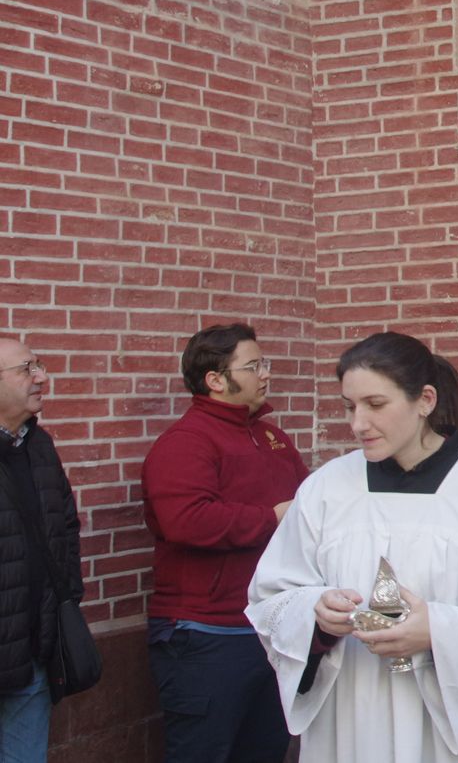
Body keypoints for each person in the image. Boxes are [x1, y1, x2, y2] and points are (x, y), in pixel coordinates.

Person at [247, 332, 458, 762]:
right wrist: (314, 615)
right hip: (354, 714)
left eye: (376, 404)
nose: (358, 424)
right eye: (350, 406)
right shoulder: (326, 488)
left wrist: (437, 631)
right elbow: (272, 594)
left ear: (425, 400)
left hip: (457, 727)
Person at [143, 324, 309, 763]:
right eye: (253, 366)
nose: (265, 375)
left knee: (265, 751)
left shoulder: (272, 437)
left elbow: (309, 501)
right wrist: (272, 518)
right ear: (215, 379)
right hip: (205, 635)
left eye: (264, 364)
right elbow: (186, 520)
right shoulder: (186, 442)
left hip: (267, 629)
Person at [0, 338, 82, 761]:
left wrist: (66, 597)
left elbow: (65, 526)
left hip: (32, 652)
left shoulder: (38, 445)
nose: (42, 377)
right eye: (27, 369)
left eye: (40, 366)